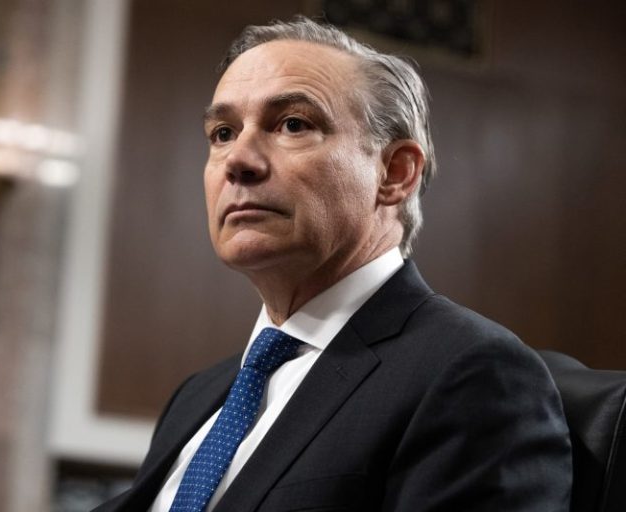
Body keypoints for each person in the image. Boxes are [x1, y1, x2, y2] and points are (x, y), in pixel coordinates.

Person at [93, 16, 571, 512]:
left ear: (394, 173)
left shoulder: (474, 373)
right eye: (223, 132)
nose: (238, 160)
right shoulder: (198, 395)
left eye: (293, 124)